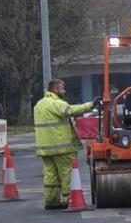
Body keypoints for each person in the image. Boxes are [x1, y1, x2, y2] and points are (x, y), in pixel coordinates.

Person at [31, 78, 96, 211]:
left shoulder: (39, 105)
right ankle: (67, 201)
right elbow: (71, 110)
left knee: (51, 176)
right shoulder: (56, 103)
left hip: (45, 149)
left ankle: (51, 202)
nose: (64, 91)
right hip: (62, 148)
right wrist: (91, 105)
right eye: (62, 88)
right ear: (55, 89)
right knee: (66, 175)